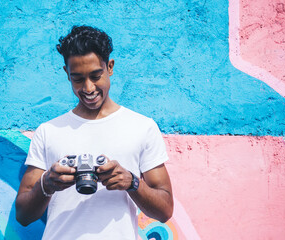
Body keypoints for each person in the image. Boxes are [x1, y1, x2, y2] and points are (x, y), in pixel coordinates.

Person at [15, 25, 173, 240]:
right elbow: (23, 215)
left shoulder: (142, 127)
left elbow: (164, 210)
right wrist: (47, 183)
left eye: (96, 76)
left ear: (110, 67)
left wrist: (131, 182)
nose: (88, 88)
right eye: (78, 79)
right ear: (67, 74)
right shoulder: (48, 131)